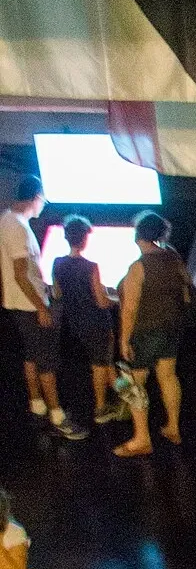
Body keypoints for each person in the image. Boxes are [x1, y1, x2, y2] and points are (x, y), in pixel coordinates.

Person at [0, 176, 87, 441]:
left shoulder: (7, 219)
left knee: (31, 355)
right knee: (47, 360)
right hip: (29, 304)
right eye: (43, 201)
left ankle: (36, 404)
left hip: (17, 303)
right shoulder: (17, 226)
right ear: (36, 197)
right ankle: (57, 416)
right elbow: (20, 274)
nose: (43, 206)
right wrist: (41, 307)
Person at [116, 211, 191, 457]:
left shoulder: (138, 267)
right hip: (172, 328)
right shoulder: (174, 259)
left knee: (134, 382)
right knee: (168, 376)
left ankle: (141, 439)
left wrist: (124, 339)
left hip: (146, 331)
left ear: (139, 236)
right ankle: (173, 427)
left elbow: (129, 308)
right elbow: (187, 292)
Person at [52, 217, 121, 426]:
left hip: (75, 323)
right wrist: (116, 300)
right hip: (97, 323)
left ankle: (123, 399)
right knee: (101, 363)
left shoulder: (58, 263)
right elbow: (100, 301)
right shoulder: (91, 266)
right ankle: (101, 408)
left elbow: (56, 293)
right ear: (84, 239)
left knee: (105, 362)